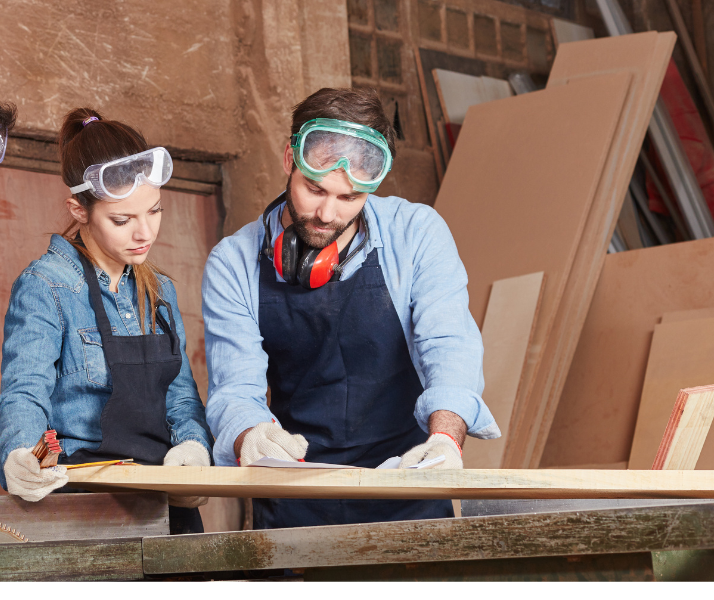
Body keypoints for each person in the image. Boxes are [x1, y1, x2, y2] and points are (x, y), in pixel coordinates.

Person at [202, 87, 499, 529]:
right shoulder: (233, 263)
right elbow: (234, 390)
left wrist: (445, 439)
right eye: (314, 189)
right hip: (295, 498)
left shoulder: (416, 234)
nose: (326, 213)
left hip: (407, 493)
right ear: (290, 160)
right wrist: (251, 434)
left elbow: (449, 343)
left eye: (348, 199)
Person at [0, 108, 213, 534]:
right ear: (79, 209)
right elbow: (25, 390)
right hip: (82, 506)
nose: (144, 234)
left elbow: (181, 398)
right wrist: (21, 453)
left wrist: (193, 449)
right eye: (122, 219)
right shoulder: (47, 285)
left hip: (162, 501)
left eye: (154, 212)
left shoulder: (161, 293)